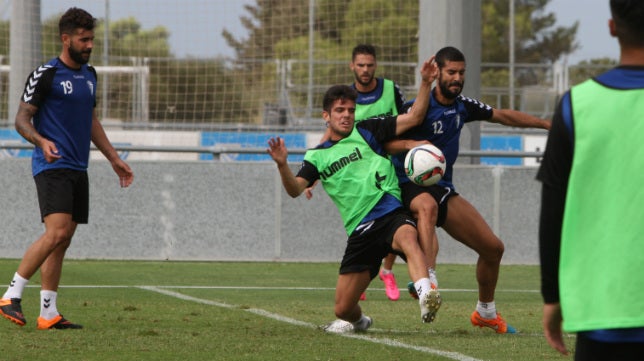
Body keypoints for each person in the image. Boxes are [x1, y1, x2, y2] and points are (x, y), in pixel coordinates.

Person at [267, 56, 440, 333]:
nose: (346, 114)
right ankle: (360, 322)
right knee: (343, 308)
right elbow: (295, 190)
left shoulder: (368, 130)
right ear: (327, 116)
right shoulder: (317, 156)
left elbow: (415, 116)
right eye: (339, 110)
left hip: (388, 209)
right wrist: (282, 165)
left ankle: (426, 294)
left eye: (350, 109)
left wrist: (425, 83)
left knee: (409, 238)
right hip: (360, 230)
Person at [389, 46, 550, 333]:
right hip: (408, 186)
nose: (457, 78)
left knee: (493, 249)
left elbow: (503, 116)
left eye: (461, 73)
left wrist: (547, 125)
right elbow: (387, 142)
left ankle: (485, 312)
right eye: (451, 72)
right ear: (437, 72)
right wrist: (414, 146)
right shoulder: (416, 109)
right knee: (427, 208)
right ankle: (429, 281)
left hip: (443, 188)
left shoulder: (463, 106)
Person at [0, 7, 134, 330]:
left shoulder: (90, 76)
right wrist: (41, 141)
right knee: (56, 232)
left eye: (91, 39)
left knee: (64, 239)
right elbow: (20, 119)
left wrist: (114, 158)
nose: (89, 45)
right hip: (52, 165)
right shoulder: (46, 73)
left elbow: (90, 121)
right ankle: (10, 295)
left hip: (78, 167)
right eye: (83, 39)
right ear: (66, 39)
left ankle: (48, 312)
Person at [537, 0, 644, 357]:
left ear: (612, 28)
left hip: (602, 310)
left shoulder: (574, 106)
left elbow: (552, 211)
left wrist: (552, 297)